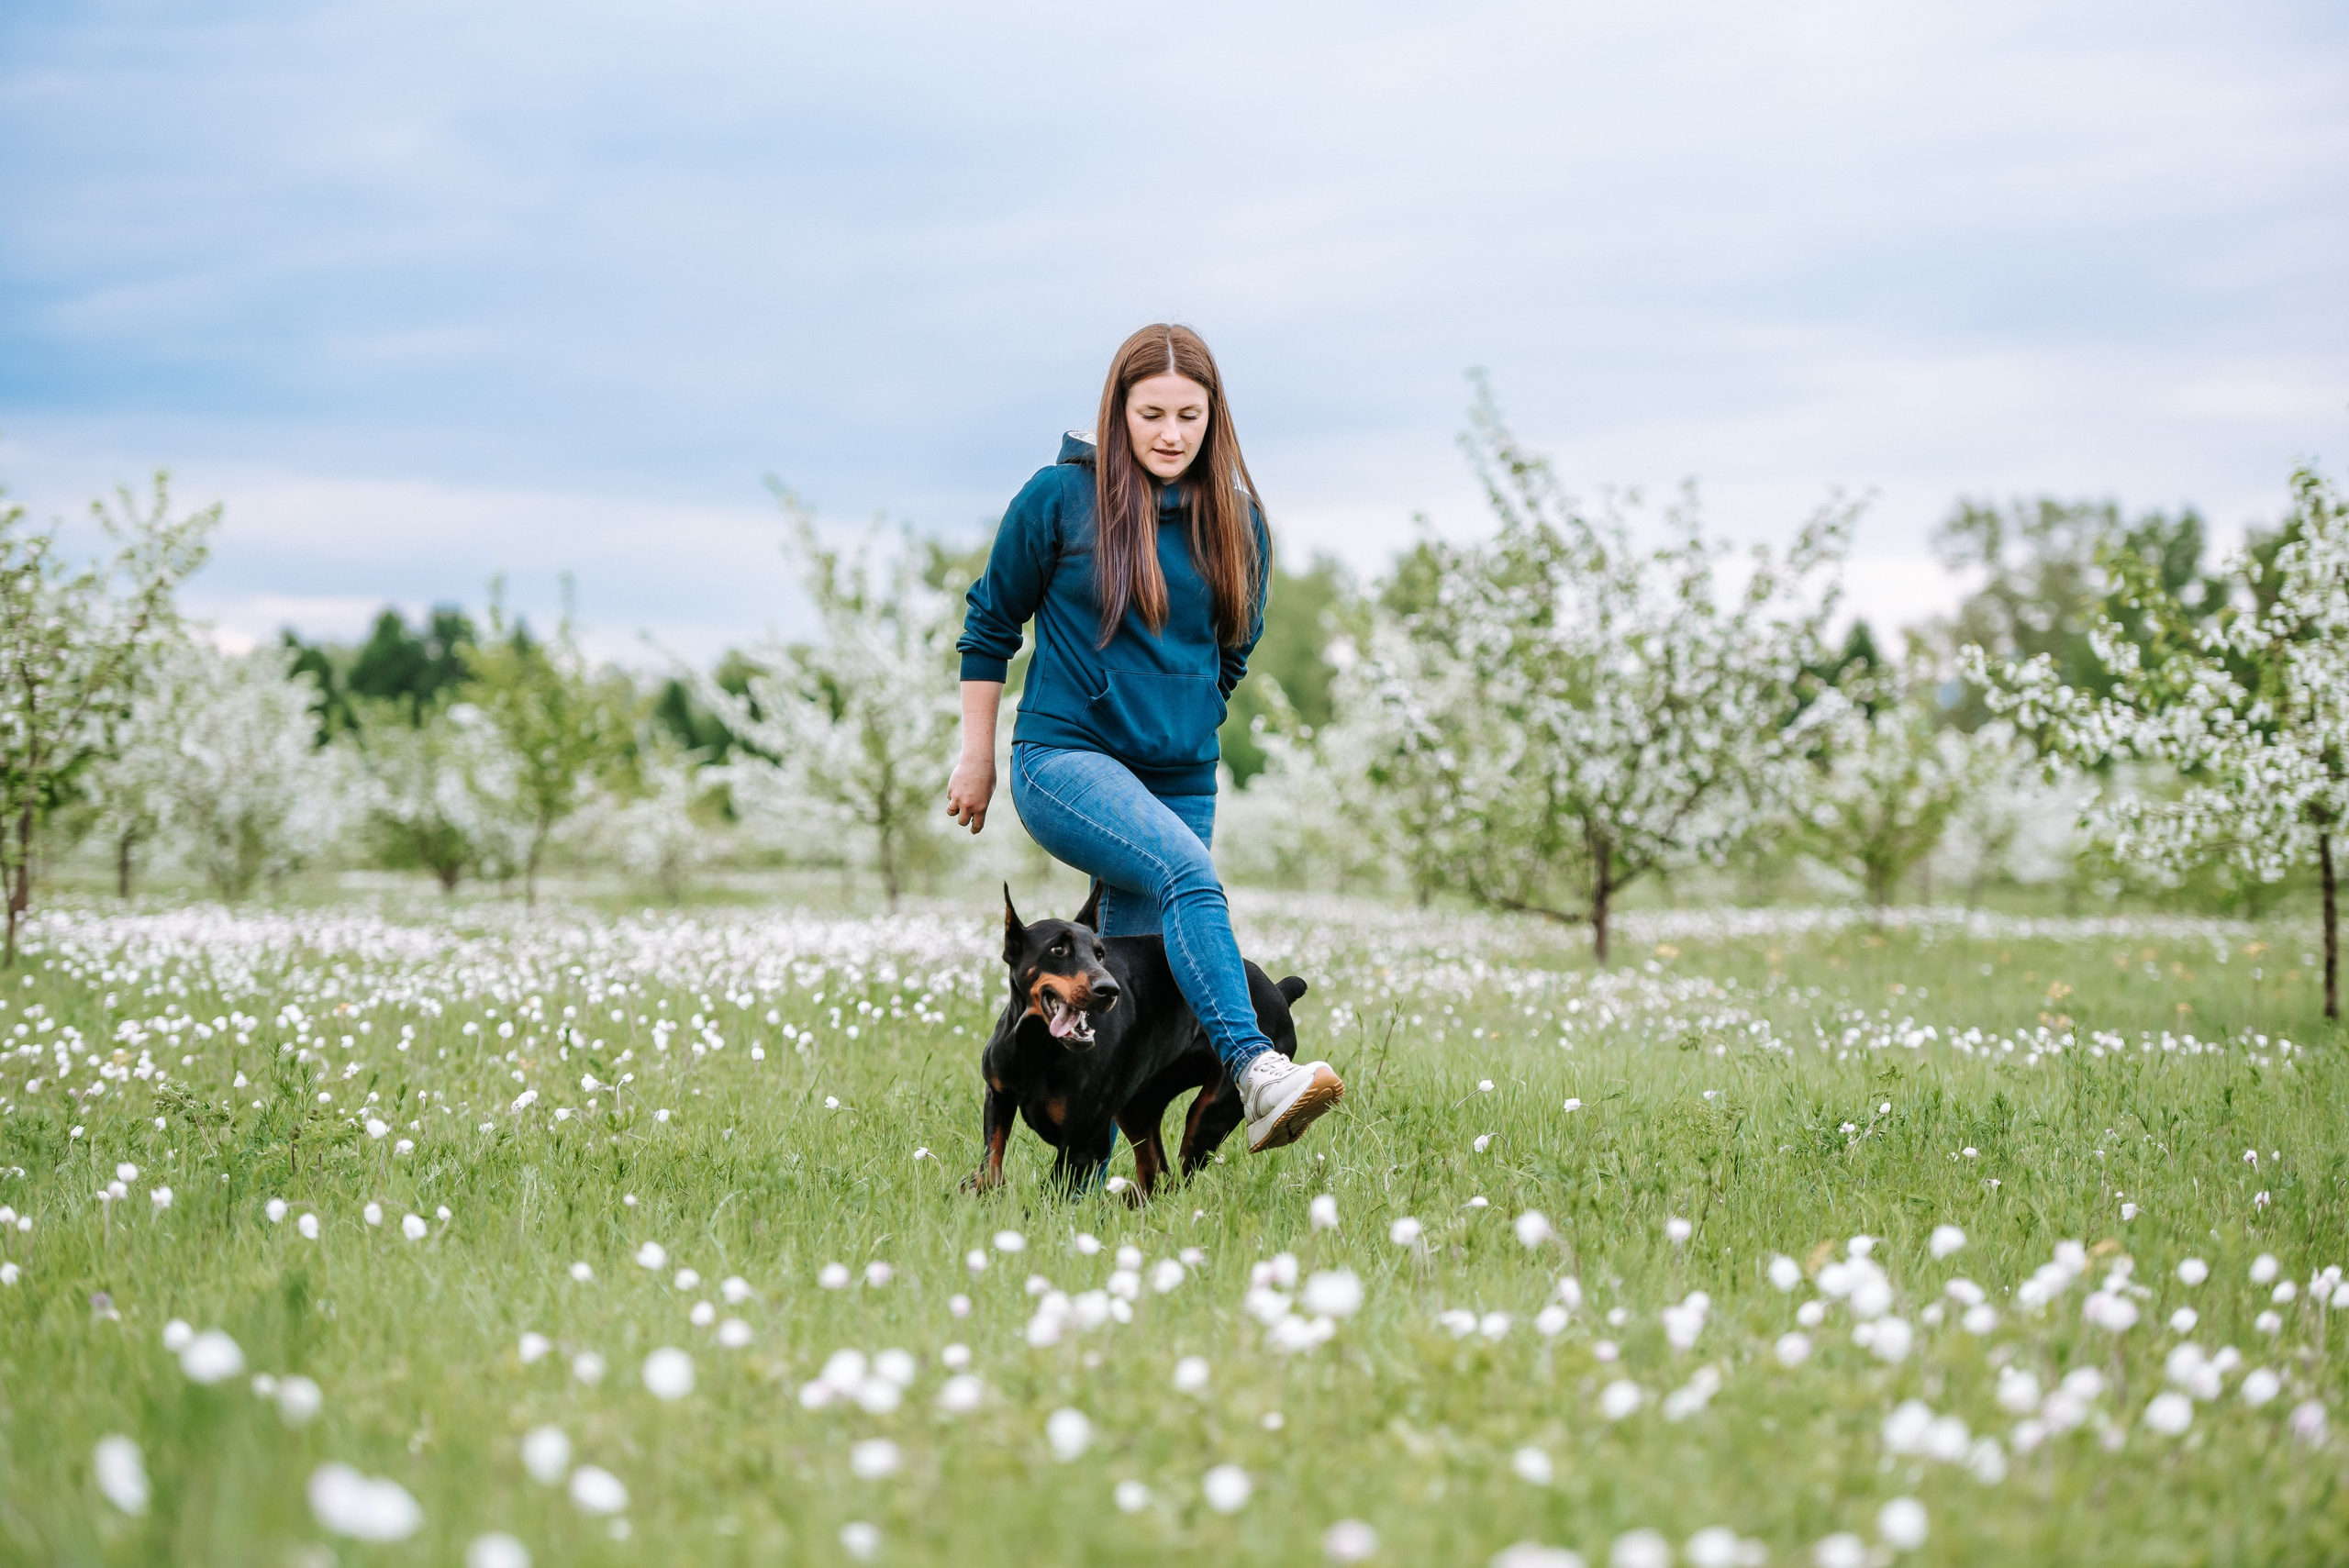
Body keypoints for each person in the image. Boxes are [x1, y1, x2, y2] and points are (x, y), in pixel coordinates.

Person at [946, 323, 1344, 1153]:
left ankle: (1081, 1193)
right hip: (1064, 758)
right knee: (1186, 872)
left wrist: (1191, 713)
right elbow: (990, 626)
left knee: (1118, 994)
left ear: (1213, 419)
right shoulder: (1058, 501)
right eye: (1151, 413)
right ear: (1118, 412)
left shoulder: (1237, 521)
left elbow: (1232, 651)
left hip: (1179, 775)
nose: (1170, 434)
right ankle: (1256, 1067)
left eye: (1189, 417)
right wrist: (976, 755)